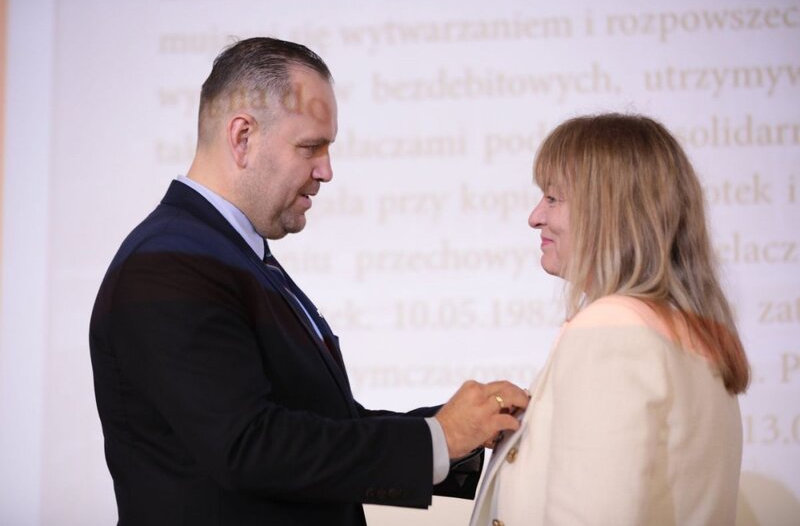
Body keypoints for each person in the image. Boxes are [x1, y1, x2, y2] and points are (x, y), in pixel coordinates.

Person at [89, 37, 529, 526]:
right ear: (242, 138)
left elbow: (321, 425)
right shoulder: (168, 263)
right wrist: (438, 439)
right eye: (310, 147)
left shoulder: (226, 254)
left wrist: (457, 431)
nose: (327, 170)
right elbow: (248, 446)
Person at [470, 114, 750, 526]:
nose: (535, 217)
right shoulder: (699, 336)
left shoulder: (610, 328)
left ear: (606, 210)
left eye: (552, 198)